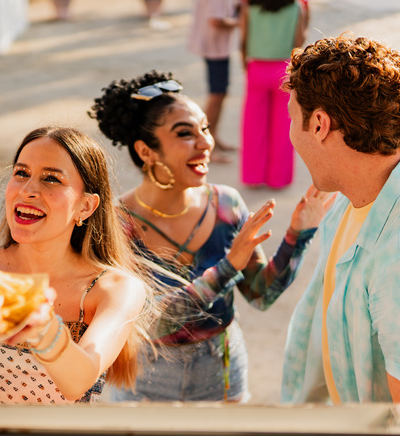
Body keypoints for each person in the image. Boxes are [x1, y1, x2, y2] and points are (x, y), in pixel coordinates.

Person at [89, 71, 333, 401]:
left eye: (205, 128)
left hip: (222, 369)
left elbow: (262, 294)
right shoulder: (117, 224)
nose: (205, 142)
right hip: (144, 379)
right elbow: (150, 322)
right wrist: (228, 267)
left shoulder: (226, 204)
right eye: (185, 133)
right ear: (147, 151)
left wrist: (299, 233)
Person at [0, 126, 163, 404]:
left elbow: (79, 381)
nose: (28, 190)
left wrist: (43, 329)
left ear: (86, 207)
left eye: (51, 179)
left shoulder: (115, 288)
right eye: (21, 173)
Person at [281, 34, 400, 404]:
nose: (290, 134)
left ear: (319, 124)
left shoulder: (394, 257)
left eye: (291, 119)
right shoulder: (346, 203)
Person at [239, 0, 308, 189]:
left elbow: (244, 39)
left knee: (253, 126)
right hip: (284, 68)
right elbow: (299, 41)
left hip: (257, 67)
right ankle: (279, 179)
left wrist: (244, 63)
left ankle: (253, 177)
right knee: (284, 126)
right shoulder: (297, 7)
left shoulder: (249, 7)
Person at [187, 0, 240, 162]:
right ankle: (207, 143)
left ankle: (214, 136)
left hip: (217, 46)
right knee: (216, 95)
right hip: (214, 47)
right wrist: (242, 21)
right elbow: (216, 20)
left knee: (220, 94)